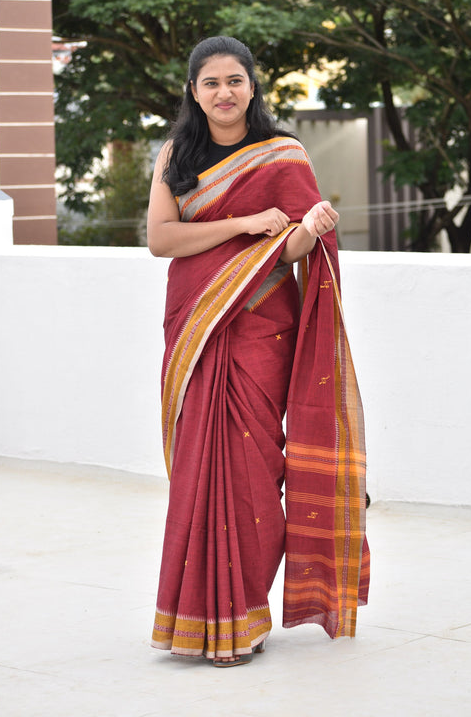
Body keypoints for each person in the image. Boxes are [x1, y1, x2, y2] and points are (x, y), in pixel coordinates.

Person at [147, 36, 370, 667]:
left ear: (253, 87)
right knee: (200, 473)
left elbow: (291, 250)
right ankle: (196, 620)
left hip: (261, 334)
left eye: (235, 81)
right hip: (196, 332)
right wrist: (244, 224)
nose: (223, 93)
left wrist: (311, 229)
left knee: (251, 474)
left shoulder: (283, 154)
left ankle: (245, 616)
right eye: (210, 82)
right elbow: (162, 240)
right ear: (193, 91)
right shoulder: (176, 154)